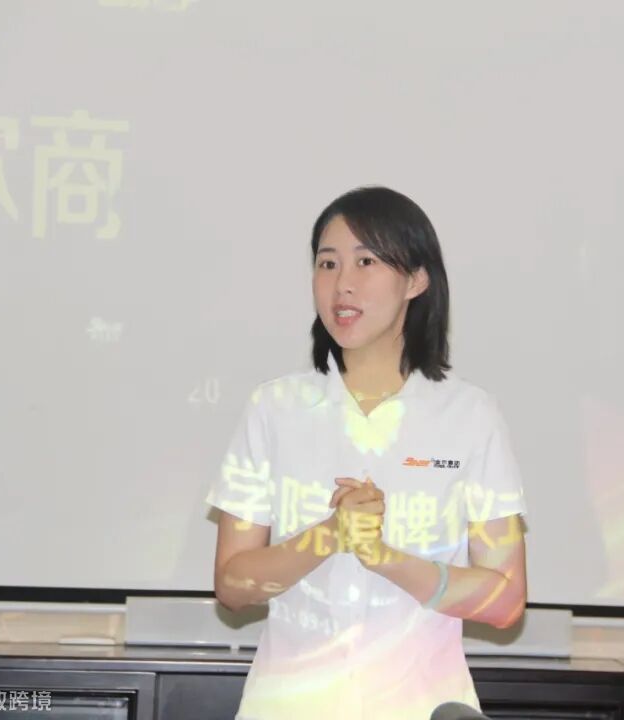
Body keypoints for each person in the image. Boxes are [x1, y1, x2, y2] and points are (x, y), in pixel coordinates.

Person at [205, 186, 528, 720]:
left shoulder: (470, 416)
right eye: (327, 263)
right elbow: (232, 587)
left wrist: (385, 558)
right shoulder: (275, 408)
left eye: (366, 262)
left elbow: (506, 602)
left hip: (420, 706)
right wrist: (329, 535)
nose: (342, 284)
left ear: (416, 280)